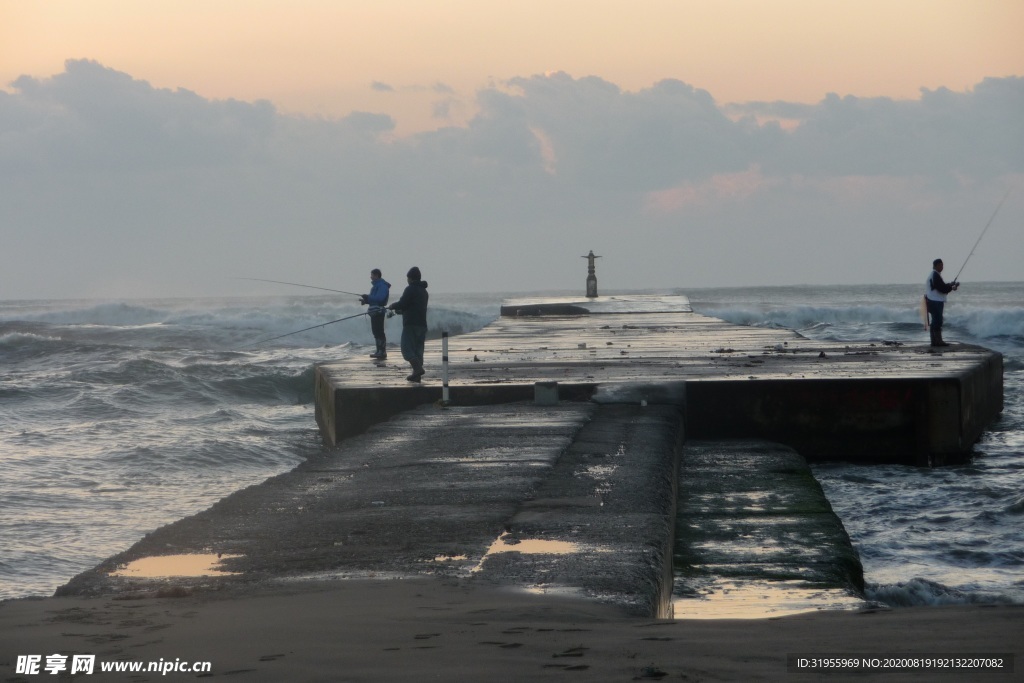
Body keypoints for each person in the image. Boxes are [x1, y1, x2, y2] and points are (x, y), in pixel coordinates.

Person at [388, 266, 429, 382]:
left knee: (406, 349)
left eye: (407, 278)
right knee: (418, 350)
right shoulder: (424, 291)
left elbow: (402, 303)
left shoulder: (410, 289)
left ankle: (417, 369)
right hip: (422, 325)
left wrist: (392, 306)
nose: (407, 280)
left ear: (410, 278)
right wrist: (400, 311)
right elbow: (412, 306)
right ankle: (417, 376)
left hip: (411, 324)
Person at [925, 258, 959, 347]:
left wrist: (950, 285)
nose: (942, 267)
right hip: (935, 300)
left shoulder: (934, 275)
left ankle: (934, 342)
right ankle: (938, 342)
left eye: (942, 265)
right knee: (938, 321)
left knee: (935, 321)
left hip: (932, 300)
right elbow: (941, 288)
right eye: (940, 265)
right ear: (935, 266)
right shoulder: (935, 275)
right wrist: (952, 287)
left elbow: (941, 286)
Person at [360, 269, 390, 359]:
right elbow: (374, 299)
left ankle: (382, 351)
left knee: (379, 331)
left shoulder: (382, 286)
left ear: (377, 275)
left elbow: (380, 299)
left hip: (379, 312)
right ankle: (378, 351)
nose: (371, 277)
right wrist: (366, 300)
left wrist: (368, 297)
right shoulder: (376, 286)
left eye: (372, 275)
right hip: (374, 311)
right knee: (375, 331)